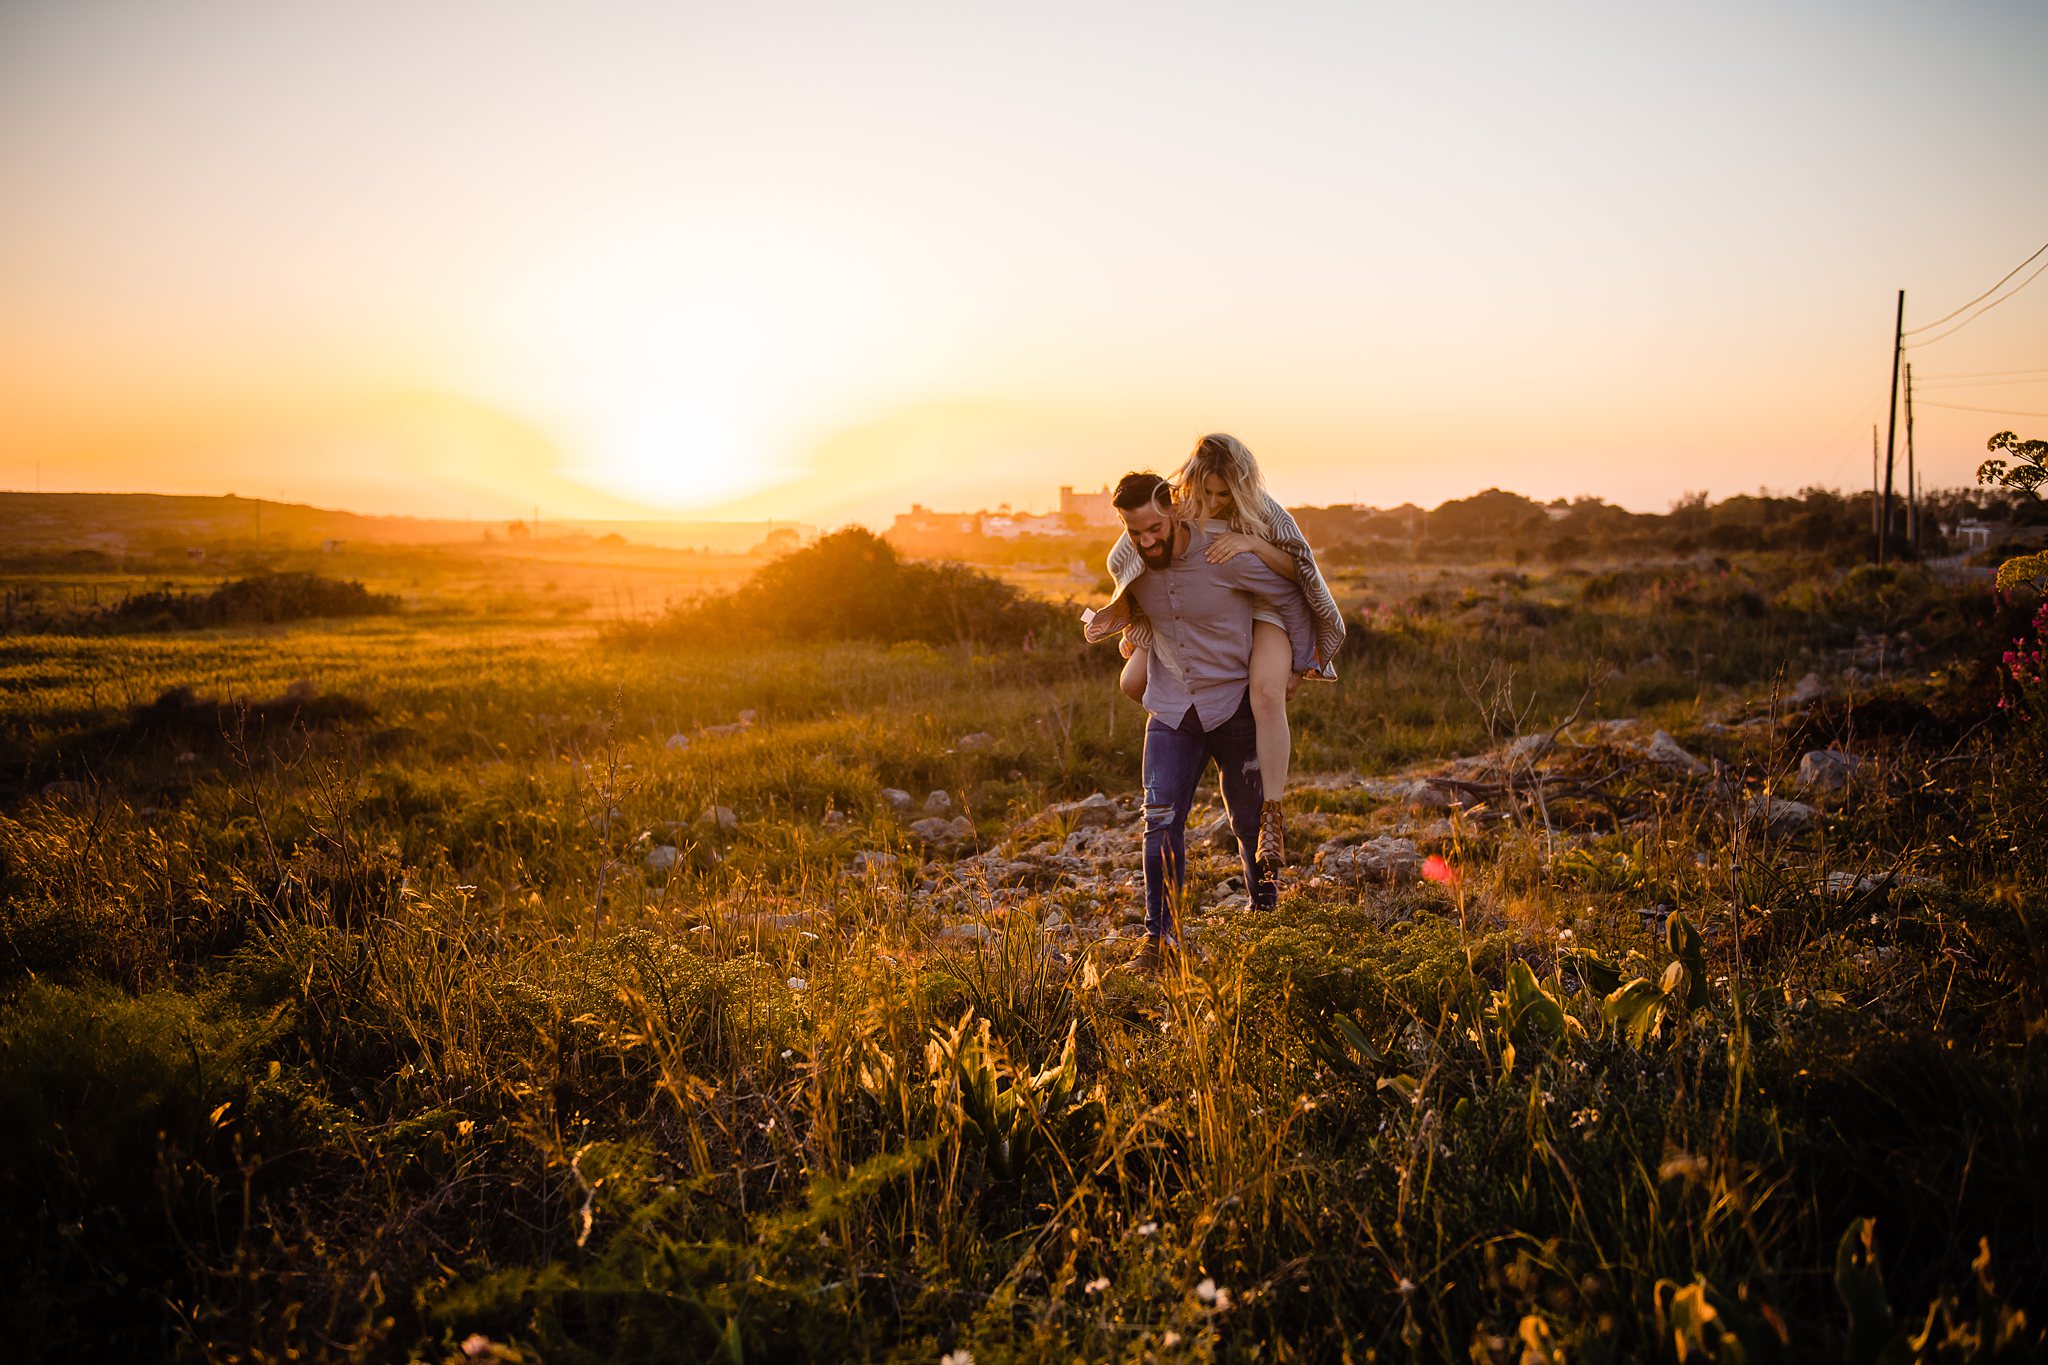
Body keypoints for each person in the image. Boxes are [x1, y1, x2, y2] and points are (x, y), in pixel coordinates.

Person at [1082, 470, 1319, 974]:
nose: (1147, 541)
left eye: (1154, 528)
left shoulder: (1221, 555)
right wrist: (1123, 628)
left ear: (1171, 507)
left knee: (1249, 821)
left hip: (1233, 705)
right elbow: (1132, 607)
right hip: (1171, 709)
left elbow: (1292, 594)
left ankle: (1267, 921)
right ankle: (1161, 941)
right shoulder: (1127, 562)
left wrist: (1300, 664)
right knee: (1160, 821)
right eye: (1134, 532)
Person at [1108, 434, 1346, 874]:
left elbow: (1301, 570)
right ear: (1192, 482)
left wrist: (1255, 545)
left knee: (1267, 694)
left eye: (1224, 495)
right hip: (1212, 601)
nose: (1214, 502)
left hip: (1265, 600)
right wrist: (1134, 623)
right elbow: (1135, 561)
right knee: (1132, 682)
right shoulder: (1172, 505)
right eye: (1207, 492)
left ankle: (1271, 813)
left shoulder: (1263, 509)